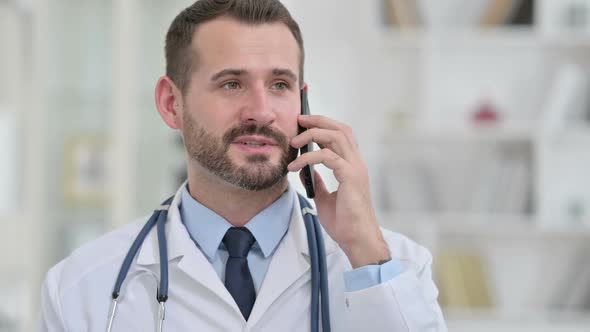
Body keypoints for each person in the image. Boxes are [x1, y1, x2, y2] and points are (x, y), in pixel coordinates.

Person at [39, 0, 447, 331]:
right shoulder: (81, 287)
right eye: (232, 83)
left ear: (303, 101)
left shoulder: (392, 267)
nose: (261, 111)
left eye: (279, 85)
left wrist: (364, 249)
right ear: (171, 104)